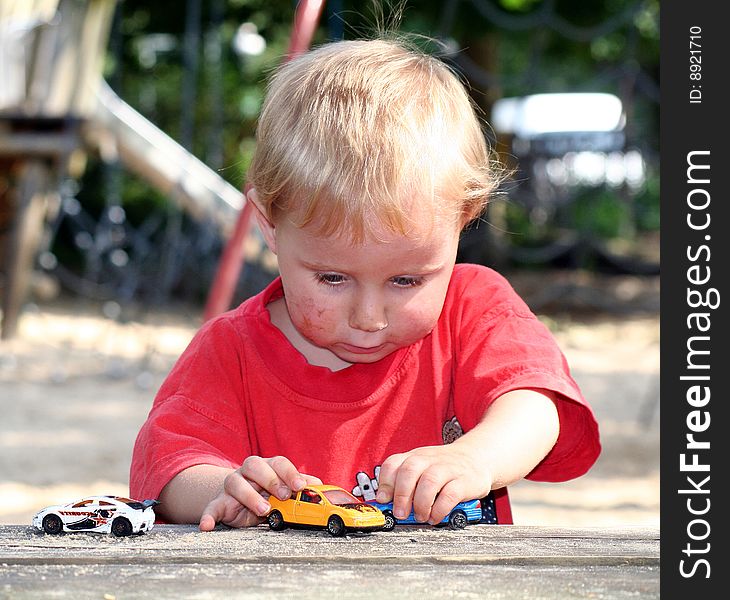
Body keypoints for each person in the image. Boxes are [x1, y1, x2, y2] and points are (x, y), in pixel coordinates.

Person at [129, 37, 600, 530]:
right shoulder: (229, 352)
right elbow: (169, 469)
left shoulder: (472, 310)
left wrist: (475, 458)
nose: (369, 318)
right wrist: (225, 488)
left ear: (464, 219)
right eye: (332, 278)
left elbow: (535, 407)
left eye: (406, 279)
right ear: (268, 223)